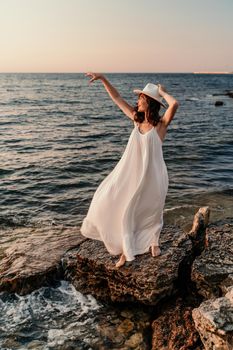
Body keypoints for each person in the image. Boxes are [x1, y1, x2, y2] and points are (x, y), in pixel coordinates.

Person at [80, 72, 179, 268]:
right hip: (132, 174)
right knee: (125, 208)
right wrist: (103, 79)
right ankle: (126, 250)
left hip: (154, 175)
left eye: (141, 98)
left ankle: (153, 241)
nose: (137, 100)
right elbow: (117, 98)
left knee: (152, 210)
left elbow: (174, 105)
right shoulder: (136, 120)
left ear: (149, 102)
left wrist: (163, 92)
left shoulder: (160, 125)